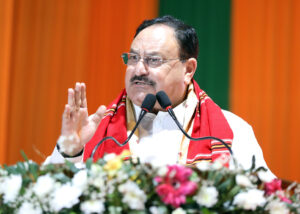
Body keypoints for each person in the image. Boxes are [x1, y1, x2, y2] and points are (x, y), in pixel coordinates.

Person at [45, 15, 275, 177]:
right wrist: (70, 149)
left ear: (188, 70)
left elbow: (267, 199)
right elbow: (48, 199)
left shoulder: (233, 131)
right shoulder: (97, 131)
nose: (139, 70)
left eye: (153, 60)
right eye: (133, 58)